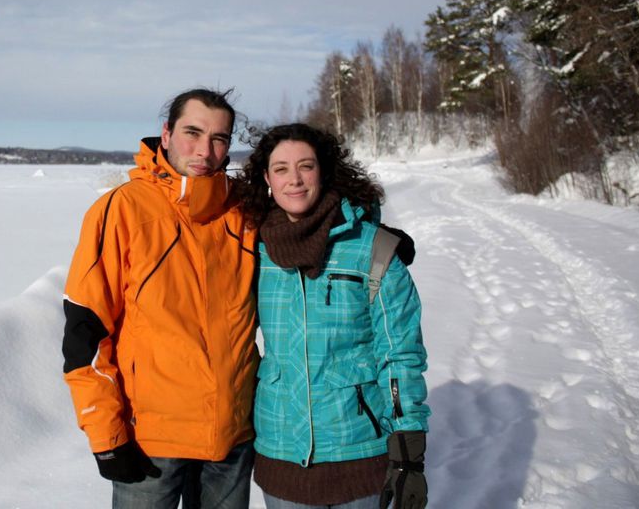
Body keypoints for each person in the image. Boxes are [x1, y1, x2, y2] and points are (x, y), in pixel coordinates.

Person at [62, 88, 259, 509]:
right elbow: (86, 332)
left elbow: (307, 208)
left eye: (220, 138)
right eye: (193, 132)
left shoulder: (244, 210)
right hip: (151, 442)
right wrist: (106, 436)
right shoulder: (124, 209)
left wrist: (371, 237)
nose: (205, 150)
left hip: (232, 437)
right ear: (166, 135)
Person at [237, 123, 429, 509]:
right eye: (281, 169)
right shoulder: (249, 249)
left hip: (359, 450)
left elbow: (400, 355)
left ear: (323, 170)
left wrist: (408, 453)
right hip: (281, 451)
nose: (294, 179)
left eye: (305, 166)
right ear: (266, 178)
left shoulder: (372, 250)